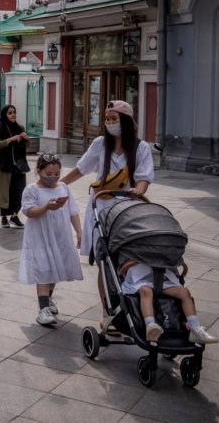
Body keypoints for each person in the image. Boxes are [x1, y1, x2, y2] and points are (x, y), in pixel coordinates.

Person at [60, 100, 154, 330]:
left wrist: (138, 191)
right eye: (108, 119)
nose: (111, 123)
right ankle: (108, 310)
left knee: (129, 260)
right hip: (102, 211)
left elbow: (144, 177)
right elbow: (81, 169)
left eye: (115, 119)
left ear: (127, 121)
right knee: (105, 262)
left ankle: (134, 307)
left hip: (129, 211)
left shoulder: (141, 148)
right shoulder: (100, 144)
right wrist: (58, 185)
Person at [19, 154, 83, 327]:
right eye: (49, 173)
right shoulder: (32, 189)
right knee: (44, 270)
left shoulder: (63, 187)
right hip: (40, 236)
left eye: (56, 174)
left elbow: (73, 211)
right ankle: (43, 310)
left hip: (60, 235)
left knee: (55, 268)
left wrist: (79, 231)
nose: (53, 177)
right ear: (39, 171)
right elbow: (28, 211)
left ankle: (48, 299)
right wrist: (46, 207)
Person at [120, 258, 217, 344]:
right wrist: (139, 259)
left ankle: (195, 328)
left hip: (162, 275)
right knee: (146, 291)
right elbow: (122, 269)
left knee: (184, 292)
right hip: (139, 277)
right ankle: (150, 326)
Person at [0, 105, 29, 229]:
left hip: (19, 165)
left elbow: (26, 146)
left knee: (18, 190)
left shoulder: (20, 128)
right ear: (5, 115)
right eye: (10, 113)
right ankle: (4, 217)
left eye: (14, 112)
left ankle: (14, 216)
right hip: (4, 164)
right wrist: (11, 139)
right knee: (5, 191)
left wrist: (25, 138)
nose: (13, 115)